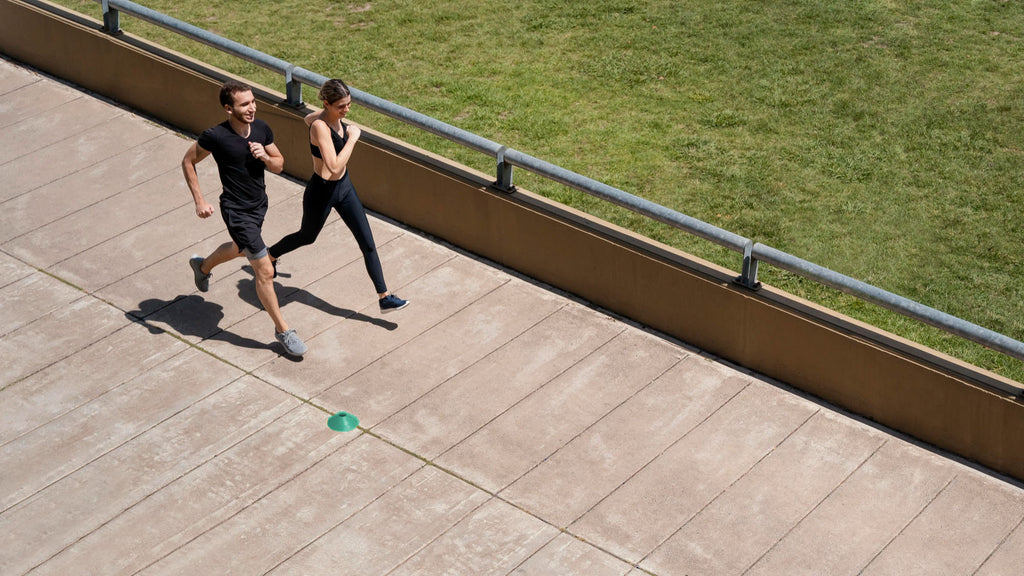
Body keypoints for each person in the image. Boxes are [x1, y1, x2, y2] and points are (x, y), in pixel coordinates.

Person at [181, 80, 308, 357]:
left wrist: (265, 156)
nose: (252, 108)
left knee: (241, 249)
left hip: (258, 205)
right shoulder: (215, 136)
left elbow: (279, 164)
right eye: (244, 104)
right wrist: (199, 200)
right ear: (229, 108)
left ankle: (202, 267)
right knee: (264, 269)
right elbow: (188, 161)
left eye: (252, 102)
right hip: (236, 211)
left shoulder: (262, 128)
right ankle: (283, 330)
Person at [267, 78, 409, 314]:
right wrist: (352, 138)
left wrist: (332, 120)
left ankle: (384, 297)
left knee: (368, 243)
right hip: (321, 191)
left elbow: (307, 118)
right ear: (326, 103)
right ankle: (271, 254)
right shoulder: (320, 127)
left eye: (349, 104)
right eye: (341, 106)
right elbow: (333, 165)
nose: (346, 110)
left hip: (344, 188)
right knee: (307, 236)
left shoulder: (326, 119)